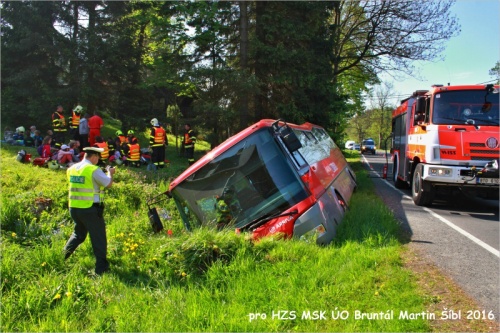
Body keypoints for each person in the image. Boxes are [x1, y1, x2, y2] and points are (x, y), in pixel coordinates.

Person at [63, 146, 115, 275]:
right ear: (94, 157)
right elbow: (108, 183)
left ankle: (62, 256)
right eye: (98, 158)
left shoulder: (72, 169)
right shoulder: (93, 169)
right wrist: (110, 173)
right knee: (98, 238)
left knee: (78, 234)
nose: (98, 160)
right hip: (90, 208)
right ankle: (101, 268)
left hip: (74, 207)